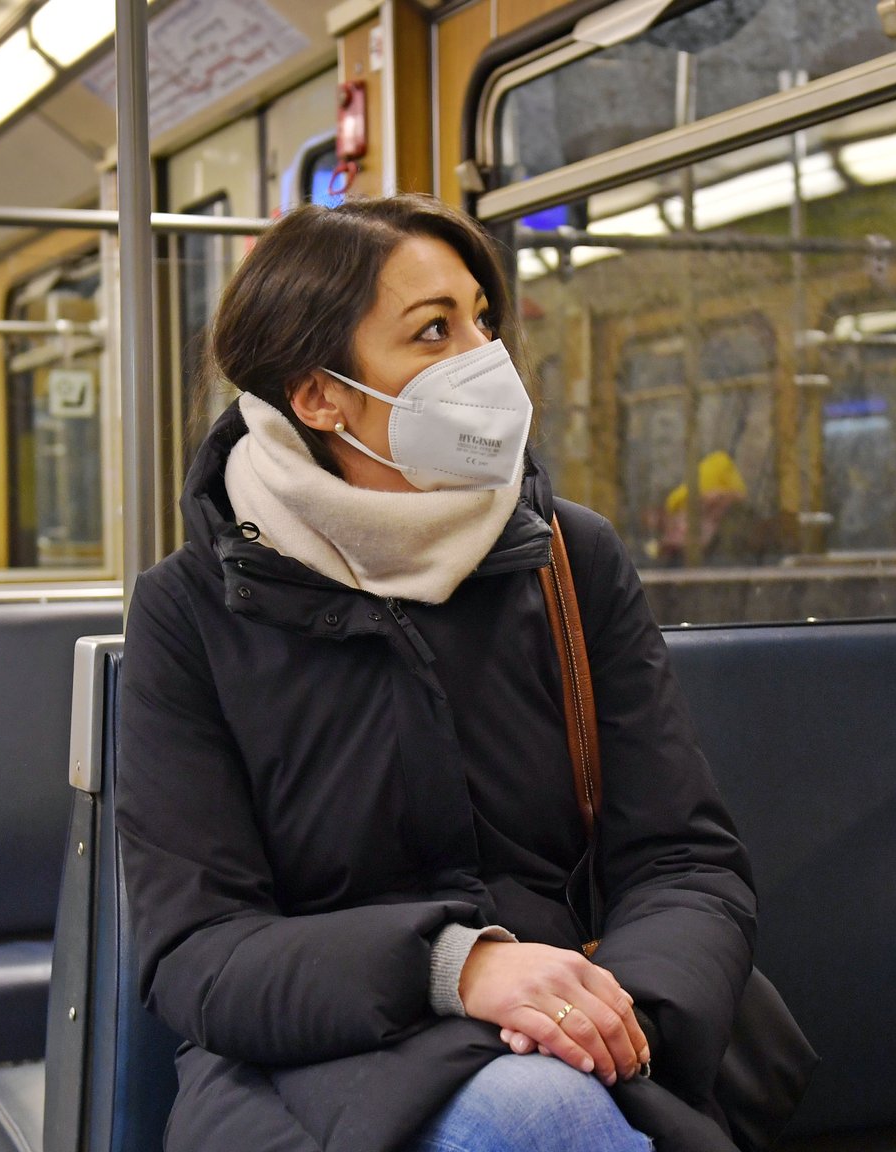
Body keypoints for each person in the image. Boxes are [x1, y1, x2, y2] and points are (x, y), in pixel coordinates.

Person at [118, 194, 784, 1152]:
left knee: (549, 1108)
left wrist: (592, 1013)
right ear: (319, 397)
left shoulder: (567, 561)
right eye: (434, 332)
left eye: (483, 320)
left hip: (596, 1023)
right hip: (311, 1062)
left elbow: (685, 864)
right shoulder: (191, 615)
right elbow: (201, 953)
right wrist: (454, 968)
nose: (484, 359)